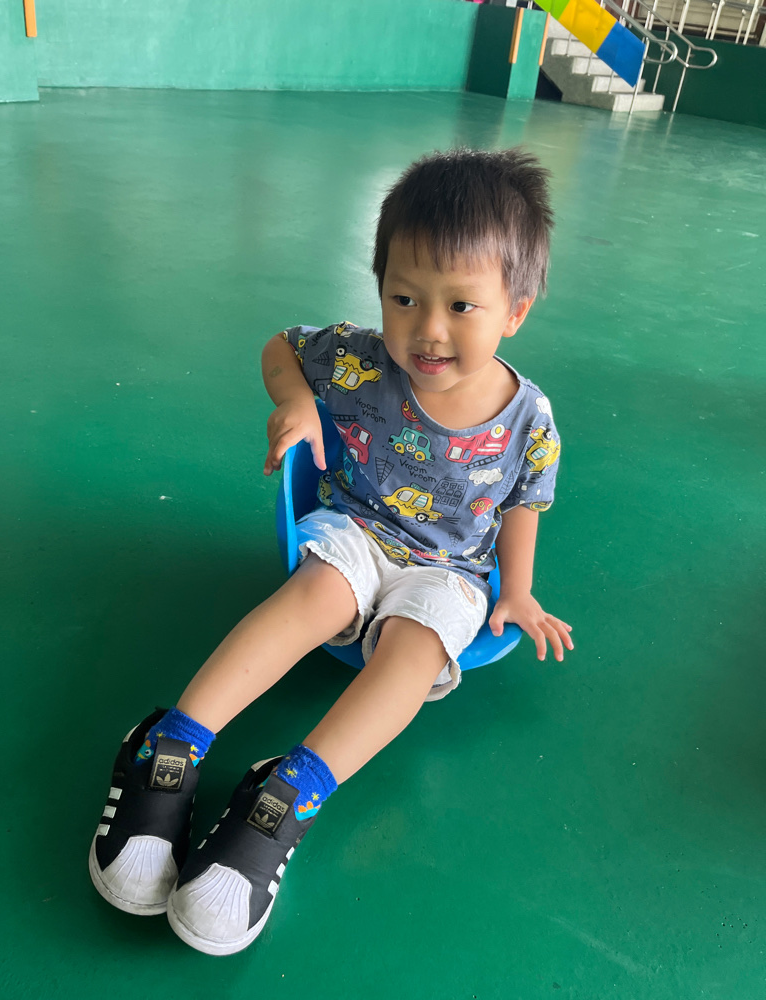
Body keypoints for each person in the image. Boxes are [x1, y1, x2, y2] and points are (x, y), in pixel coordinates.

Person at [89, 147, 574, 956]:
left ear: (515, 310)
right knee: (317, 595)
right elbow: (279, 348)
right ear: (379, 286)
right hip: (355, 528)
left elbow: (524, 501)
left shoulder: (530, 418)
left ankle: (289, 792)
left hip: (452, 569)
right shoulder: (359, 358)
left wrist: (516, 589)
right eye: (404, 297)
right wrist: (300, 404)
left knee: (417, 654)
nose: (428, 330)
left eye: (462, 305)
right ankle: (170, 744)